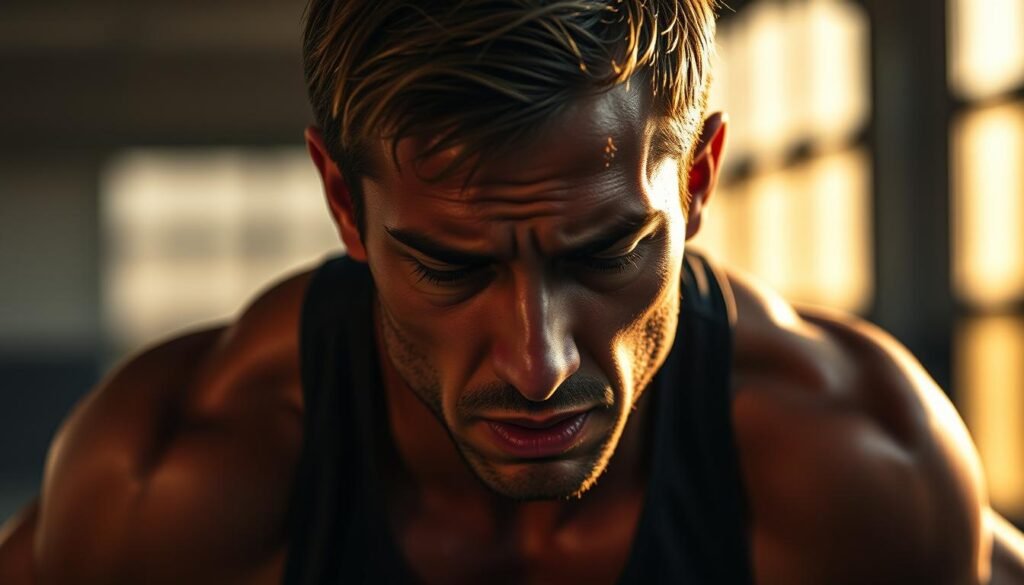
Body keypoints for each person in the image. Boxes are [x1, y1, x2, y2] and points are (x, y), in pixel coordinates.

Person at [2, 0, 1024, 583]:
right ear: (342, 205)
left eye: (605, 254)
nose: (539, 365)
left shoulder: (858, 468)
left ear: (700, 180)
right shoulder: (169, 490)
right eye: (452, 267)